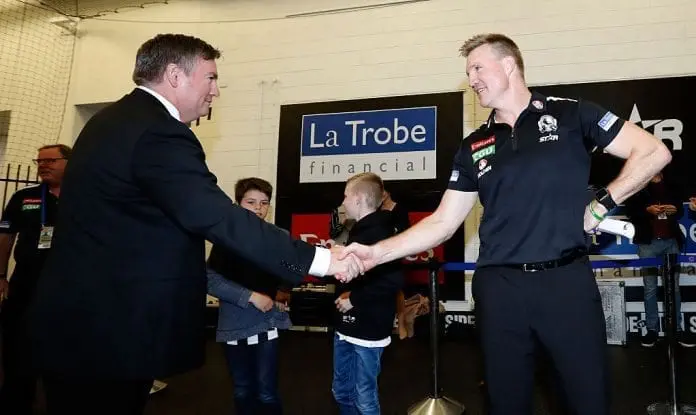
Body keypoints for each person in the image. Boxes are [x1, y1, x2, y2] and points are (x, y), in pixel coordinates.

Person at [27, 34, 362, 415]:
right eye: (211, 78)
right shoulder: (157, 130)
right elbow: (215, 214)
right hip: (109, 332)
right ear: (175, 75)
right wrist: (321, 260)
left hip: (88, 324)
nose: (215, 91)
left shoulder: (111, 121)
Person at [341, 33, 672, 415]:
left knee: (587, 400)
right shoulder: (473, 145)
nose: (471, 79)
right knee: (506, 402)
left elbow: (653, 151)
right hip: (500, 289)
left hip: (565, 284)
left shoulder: (571, 114)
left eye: (477, 68)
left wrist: (602, 204)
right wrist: (375, 253)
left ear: (509, 65)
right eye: (468, 71)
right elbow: (443, 222)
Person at [207, 177, 293, 415]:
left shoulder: (279, 236)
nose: (258, 208)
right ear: (238, 203)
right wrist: (251, 296)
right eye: (251, 202)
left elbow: (294, 268)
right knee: (242, 390)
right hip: (234, 323)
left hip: (268, 322)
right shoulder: (225, 239)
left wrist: (284, 290)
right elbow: (210, 280)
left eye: (264, 203)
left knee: (267, 392)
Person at [0, 144, 69, 415]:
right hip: (26, 282)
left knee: (64, 346)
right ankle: (16, 401)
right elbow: (5, 237)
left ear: (70, 162)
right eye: (39, 161)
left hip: (68, 285)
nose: (43, 165)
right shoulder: (24, 197)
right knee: (16, 343)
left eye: (51, 160)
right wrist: (1, 275)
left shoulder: (87, 196)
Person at [332, 173, 403, 415]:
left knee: (365, 399)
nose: (343, 202)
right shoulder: (359, 230)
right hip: (346, 328)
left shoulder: (381, 233)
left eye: (345, 196)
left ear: (359, 198)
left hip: (369, 330)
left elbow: (392, 280)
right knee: (342, 391)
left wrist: (353, 298)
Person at [623, 171, 694, 347]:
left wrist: (675, 210)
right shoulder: (638, 184)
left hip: (671, 241)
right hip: (648, 244)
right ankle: (652, 330)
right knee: (650, 288)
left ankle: (676, 329)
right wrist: (647, 210)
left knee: (674, 288)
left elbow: (679, 210)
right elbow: (630, 211)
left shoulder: (672, 184)